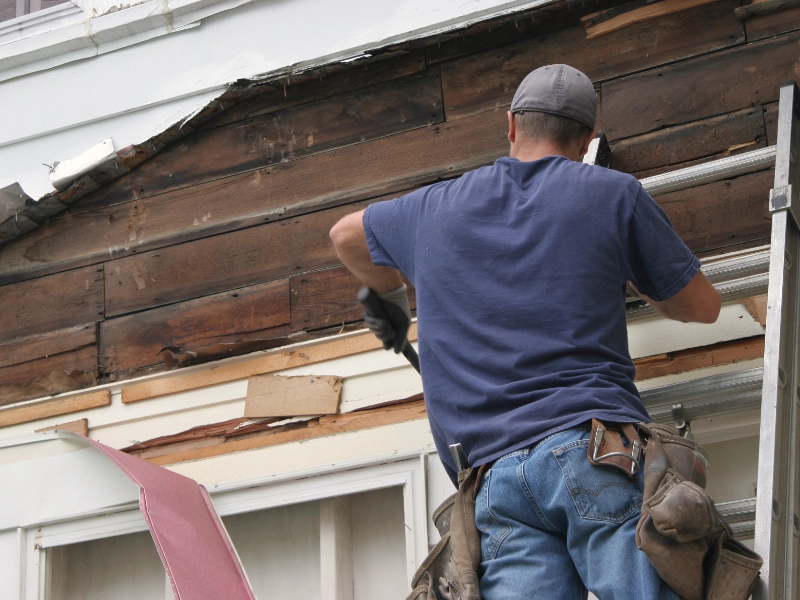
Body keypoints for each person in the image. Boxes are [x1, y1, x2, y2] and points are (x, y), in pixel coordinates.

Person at [329, 64, 721, 600]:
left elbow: (345, 234)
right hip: (591, 452)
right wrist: (632, 272)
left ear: (511, 125)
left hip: (494, 484)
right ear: (586, 140)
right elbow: (701, 307)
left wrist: (394, 297)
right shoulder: (612, 194)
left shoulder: (431, 209)